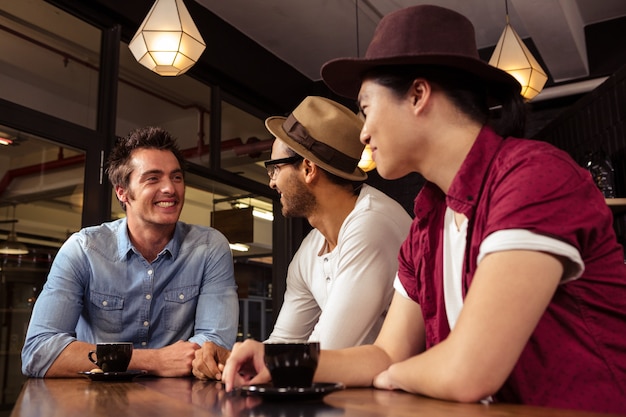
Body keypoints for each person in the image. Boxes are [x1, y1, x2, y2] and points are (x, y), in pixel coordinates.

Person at [221, 5, 626, 414]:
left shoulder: (530, 176)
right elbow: (384, 353)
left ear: (417, 95)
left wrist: (397, 375)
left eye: (366, 108)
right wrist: (277, 362)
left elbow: (467, 370)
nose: (363, 133)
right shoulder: (427, 223)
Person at [192, 96, 412, 379]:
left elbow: (328, 349)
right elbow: (284, 342)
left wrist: (257, 363)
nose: (271, 181)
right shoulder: (309, 252)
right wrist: (233, 357)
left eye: (275, 168)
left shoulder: (371, 225)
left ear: (308, 169)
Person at [21, 126, 239, 378]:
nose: (170, 188)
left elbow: (215, 344)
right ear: (122, 192)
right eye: (153, 178)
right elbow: (38, 351)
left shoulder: (210, 247)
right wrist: (153, 360)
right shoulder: (83, 250)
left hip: (178, 402)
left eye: (176, 177)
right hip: (94, 402)